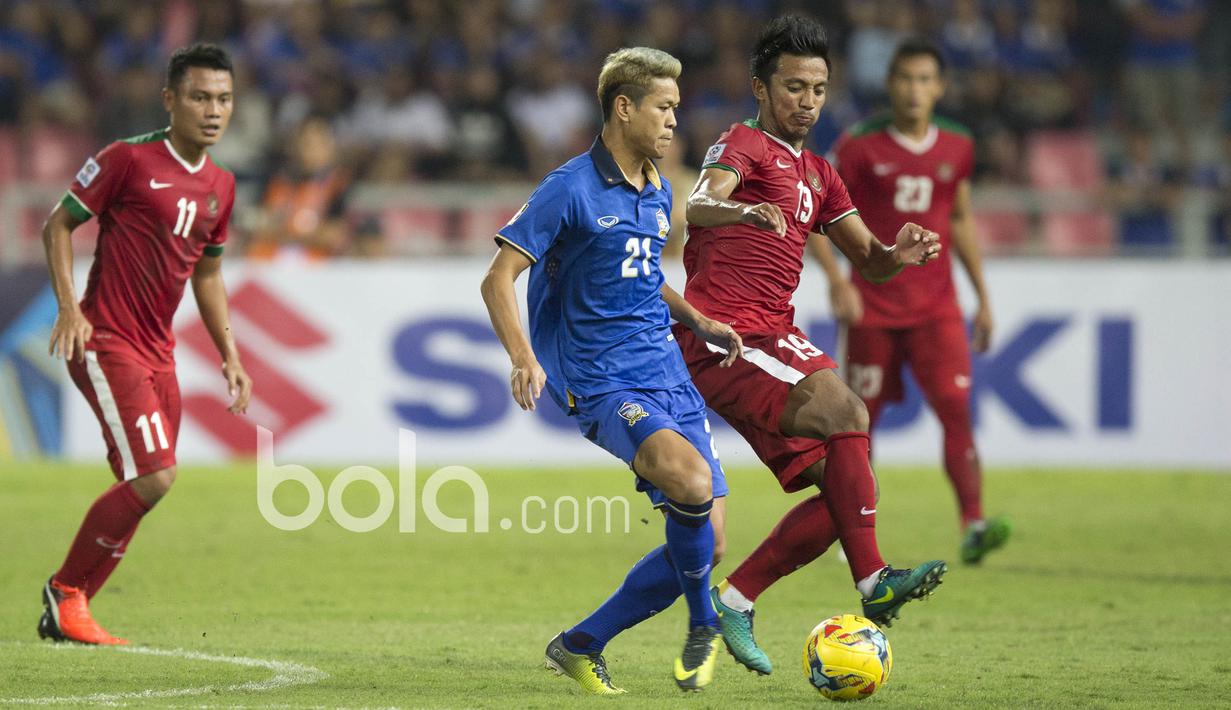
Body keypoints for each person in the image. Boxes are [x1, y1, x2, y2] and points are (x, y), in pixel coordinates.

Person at [675, 16, 947, 676]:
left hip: (773, 335)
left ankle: (735, 601)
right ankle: (873, 582)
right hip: (726, 335)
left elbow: (869, 261)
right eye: (793, 87)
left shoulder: (821, 174)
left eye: (818, 89)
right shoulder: (742, 143)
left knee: (846, 492)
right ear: (761, 88)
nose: (807, 101)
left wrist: (898, 253)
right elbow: (700, 204)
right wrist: (744, 209)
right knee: (848, 413)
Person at [480, 47, 741, 694]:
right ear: (624, 107)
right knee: (689, 482)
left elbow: (642, 278)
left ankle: (580, 644)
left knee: (709, 542)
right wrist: (522, 356)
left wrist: (698, 320)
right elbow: (497, 278)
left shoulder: (658, 190)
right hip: (601, 378)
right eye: (663, 107)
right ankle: (704, 623)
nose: (674, 120)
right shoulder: (568, 188)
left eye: (676, 108)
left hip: (666, 370)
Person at [39, 43, 251, 646]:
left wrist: (230, 353)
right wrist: (69, 308)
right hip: (105, 340)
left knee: (142, 485)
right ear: (170, 100)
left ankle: (71, 608)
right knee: (155, 476)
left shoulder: (221, 185)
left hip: (160, 354)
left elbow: (208, 275)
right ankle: (66, 591)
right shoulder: (127, 159)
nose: (213, 110)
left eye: (223, 99)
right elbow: (58, 223)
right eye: (200, 97)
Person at [814, 38, 1010, 564]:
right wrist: (837, 280)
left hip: (937, 308)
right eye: (905, 78)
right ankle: (854, 531)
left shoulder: (958, 145)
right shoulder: (859, 145)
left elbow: (960, 218)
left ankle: (973, 523)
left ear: (939, 87)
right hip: (872, 307)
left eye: (925, 79)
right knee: (858, 423)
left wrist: (983, 297)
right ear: (890, 84)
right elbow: (816, 211)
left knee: (956, 409)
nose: (914, 89)